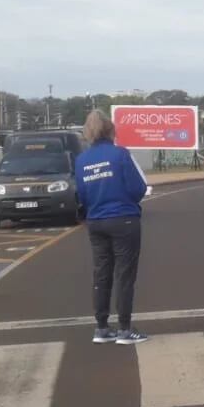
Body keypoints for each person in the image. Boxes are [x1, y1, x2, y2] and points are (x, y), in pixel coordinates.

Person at [75, 110, 150, 345]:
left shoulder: (81, 160)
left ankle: (102, 327)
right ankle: (125, 329)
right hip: (123, 219)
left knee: (102, 274)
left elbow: (82, 195)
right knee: (124, 275)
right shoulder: (120, 155)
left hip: (96, 221)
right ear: (110, 130)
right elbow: (138, 188)